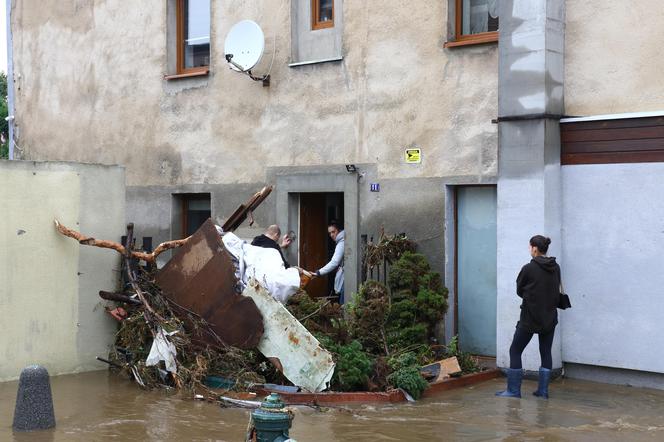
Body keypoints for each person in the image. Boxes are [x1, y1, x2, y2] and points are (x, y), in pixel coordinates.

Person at [496, 235, 561, 399]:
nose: (529, 249)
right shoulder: (556, 267)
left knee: (515, 350)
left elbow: (520, 290)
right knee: (546, 352)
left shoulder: (528, 268)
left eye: (529, 246)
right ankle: (543, 391)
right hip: (550, 316)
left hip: (530, 317)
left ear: (534, 248)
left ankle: (513, 390)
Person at [312, 220, 345, 303]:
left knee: (344, 305)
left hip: (345, 280)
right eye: (330, 233)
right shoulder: (342, 240)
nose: (331, 235)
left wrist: (319, 272)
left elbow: (334, 262)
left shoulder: (342, 242)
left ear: (339, 230)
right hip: (345, 278)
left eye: (333, 232)